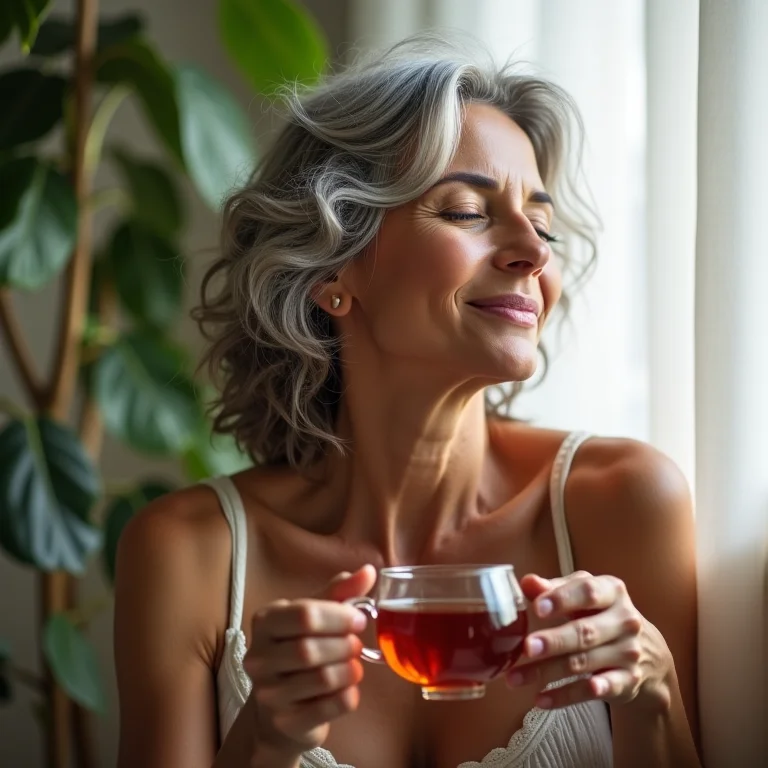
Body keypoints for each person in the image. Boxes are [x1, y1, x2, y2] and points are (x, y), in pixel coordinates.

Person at [114, 35, 702, 768]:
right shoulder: (188, 553)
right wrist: (264, 738)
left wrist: (653, 691)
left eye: (542, 222)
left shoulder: (623, 502)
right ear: (332, 270)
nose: (533, 251)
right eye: (467, 211)